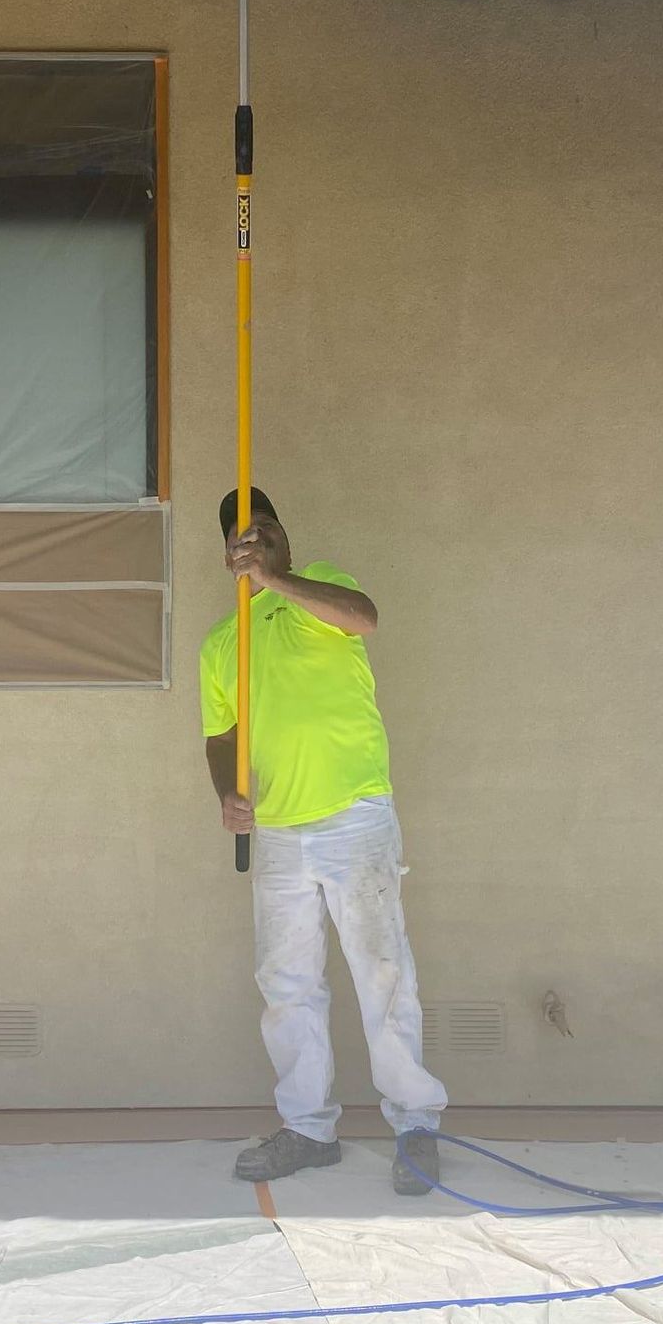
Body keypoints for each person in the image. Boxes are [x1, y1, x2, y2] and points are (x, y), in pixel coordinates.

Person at [200, 487, 448, 1195]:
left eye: (267, 530)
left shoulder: (322, 587)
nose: (258, 542)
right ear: (228, 554)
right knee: (286, 983)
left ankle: (416, 1125)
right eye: (245, 538)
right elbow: (220, 736)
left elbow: (364, 618)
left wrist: (274, 581)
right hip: (279, 829)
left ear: (283, 537)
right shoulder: (222, 644)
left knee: (382, 971)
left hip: (353, 814)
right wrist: (226, 794)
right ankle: (307, 1129)